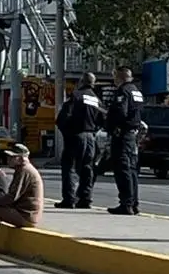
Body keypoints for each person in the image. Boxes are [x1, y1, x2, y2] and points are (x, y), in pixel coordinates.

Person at [55, 71, 105, 209]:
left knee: (69, 167)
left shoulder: (76, 96)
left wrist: (68, 132)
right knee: (87, 168)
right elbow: (102, 119)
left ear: (81, 82)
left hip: (76, 136)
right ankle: (85, 198)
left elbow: (62, 119)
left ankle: (69, 199)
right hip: (90, 137)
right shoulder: (96, 99)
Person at [106, 65, 145, 215]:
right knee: (132, 170)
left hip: (122, 135)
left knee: (122, 170)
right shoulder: (137, 91)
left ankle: (126, 204)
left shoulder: (123, 91)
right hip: (133, 135)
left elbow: (120, 111)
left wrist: (113, 126)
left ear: (121, 77)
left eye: (115, 76)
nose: (114, 79)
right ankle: (134, 203)